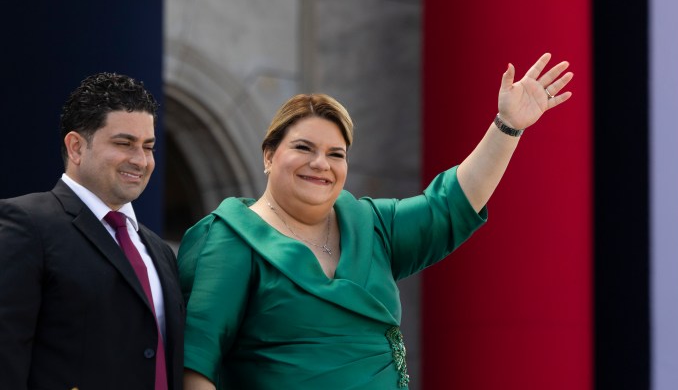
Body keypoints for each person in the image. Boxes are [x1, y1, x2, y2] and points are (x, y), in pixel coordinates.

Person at [179, 52, 573, 389]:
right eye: (303, 148)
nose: (321, 164)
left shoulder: (370, 224)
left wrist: (507, 127)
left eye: (336, 154)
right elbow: (196, 362)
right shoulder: (230, 237)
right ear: (269, 155)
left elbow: (450, 204)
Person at [0, 73, 185, 390]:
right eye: (124, 143)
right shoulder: (25, 223)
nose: (140, 160)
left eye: (148, 146)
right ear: (75, 147)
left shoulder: (160, 251)